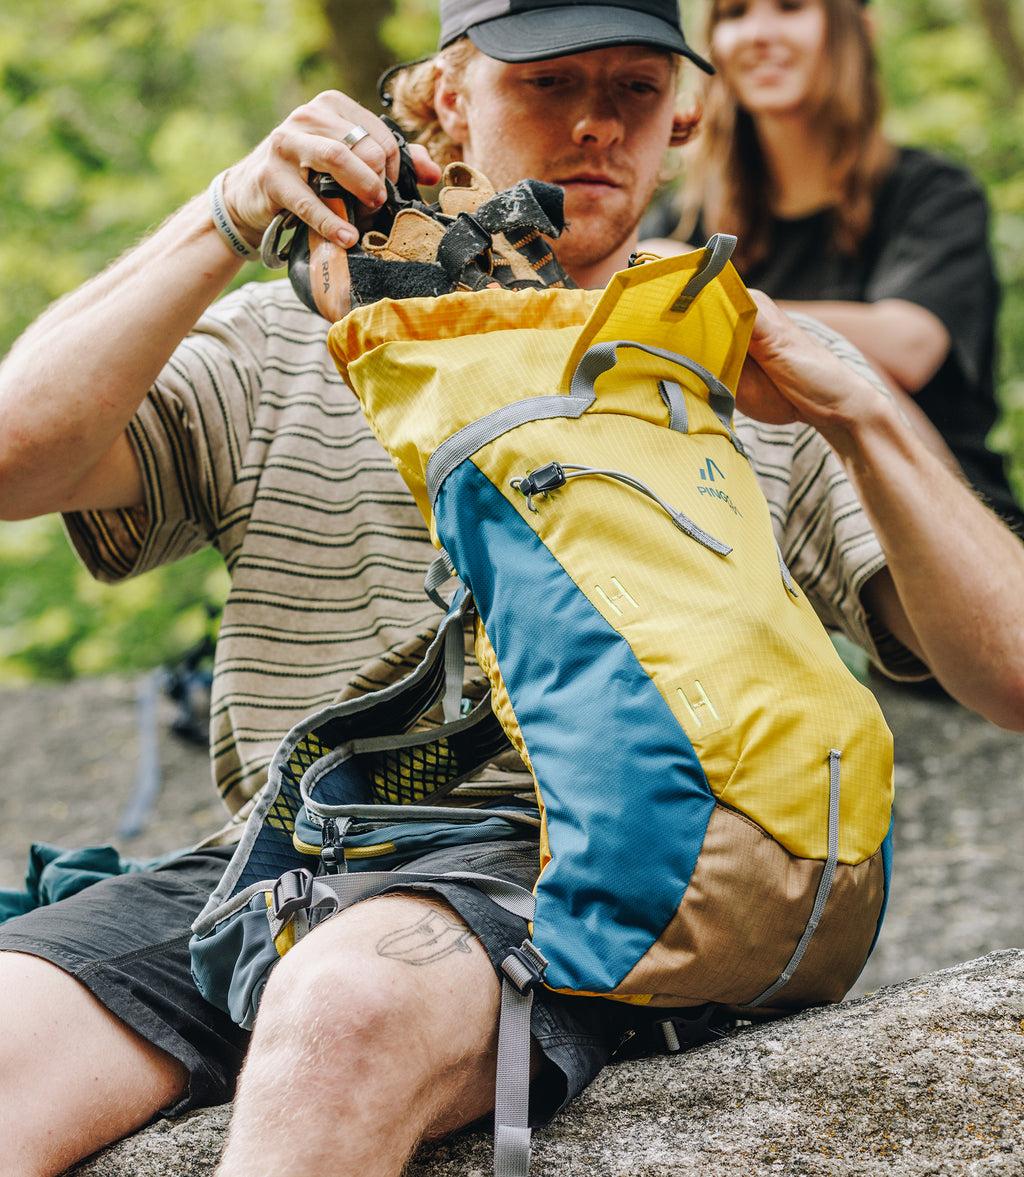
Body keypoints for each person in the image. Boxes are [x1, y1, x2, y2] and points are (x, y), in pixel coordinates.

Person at [0, 1, 1023, 1174]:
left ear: (683, 114)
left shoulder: (720, 365)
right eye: (547, 83)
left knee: (343, 1006)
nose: (594, 123)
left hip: (597, 861)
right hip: (286, 856)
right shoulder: (285, 344)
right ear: (445, 97)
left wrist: (863, 410)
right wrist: (226, 214)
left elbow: (1008, 669)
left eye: (634, 89)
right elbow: (16, 459)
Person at [640, 0, 1024, 533]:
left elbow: (910, 344)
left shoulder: (933, 194)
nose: (758, 34)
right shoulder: (683, 222)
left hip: (947, 528)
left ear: (860, 31)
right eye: (734, 14)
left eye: (791, 7)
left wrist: (708, 293)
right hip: (752, 530)